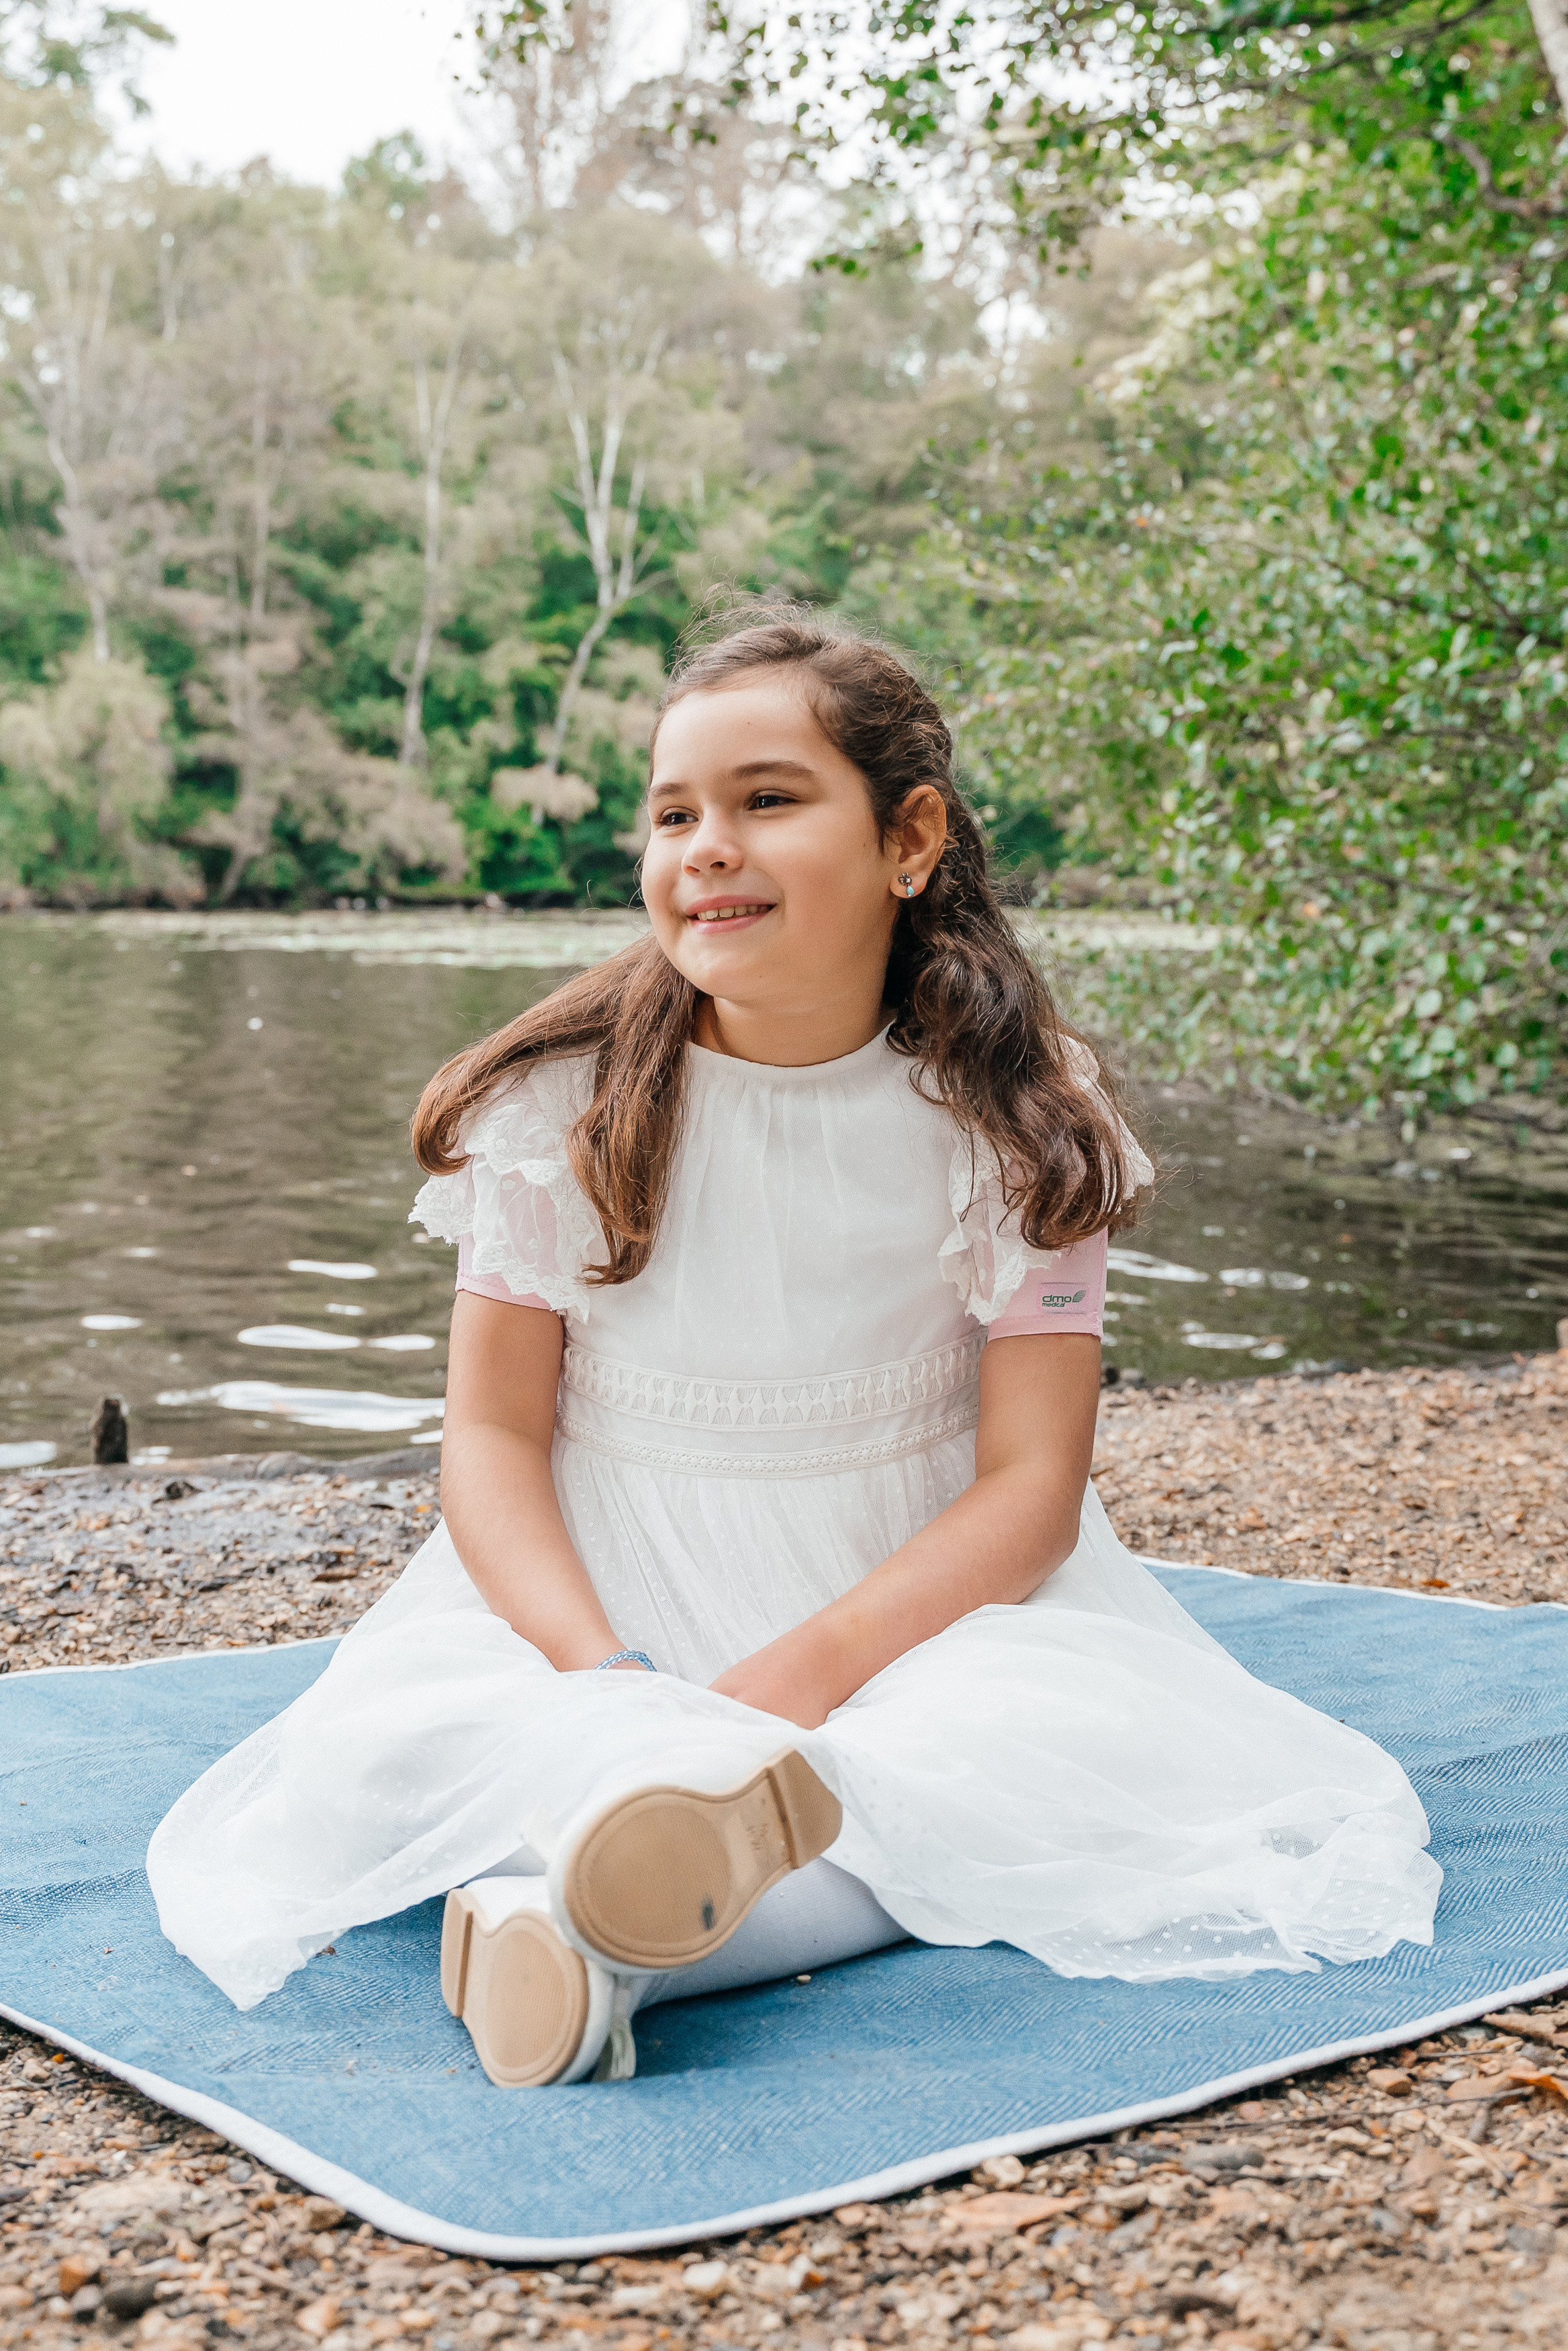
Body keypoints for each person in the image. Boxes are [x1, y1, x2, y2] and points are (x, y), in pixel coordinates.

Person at [147, 610, 1440, 2088]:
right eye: (672, 811)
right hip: (600, 1592)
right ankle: (623, 1873)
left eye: (767, 799)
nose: (706, 844)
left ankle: (576, 1928)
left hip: (910, 1604)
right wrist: (602, 1676)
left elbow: (1031, 1482)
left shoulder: (1015, 1114)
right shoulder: (557, 1105)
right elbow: (493, 1439)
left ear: (909, 839)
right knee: (401, 1756)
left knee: (1014, 1765)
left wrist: (804, 1674)